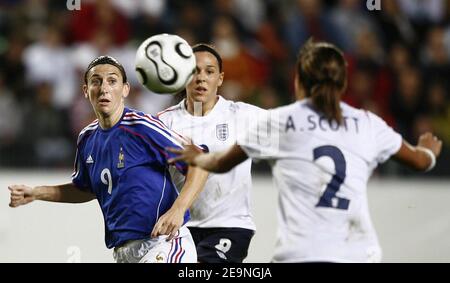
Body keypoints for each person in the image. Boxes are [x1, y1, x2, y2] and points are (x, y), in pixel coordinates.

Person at [167, 40, 443, 263]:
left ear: (298, 82)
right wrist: (428, 152)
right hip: (358, 252)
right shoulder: (368, 124)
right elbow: (419, 161)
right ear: (343, 83)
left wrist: (198, 157)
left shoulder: (281, 122)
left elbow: (221, 162)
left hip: (296, 252)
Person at [8, 55, 208, 263]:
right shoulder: (87, 138)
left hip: (164, 243)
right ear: (86, 91)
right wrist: (36, 192)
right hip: (124, 252)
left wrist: (178, 209)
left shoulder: (142, 127)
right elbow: (85, 188)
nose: (104, 88)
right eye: (96, 81)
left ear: (125, 90)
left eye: (112, 81)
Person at [157, 44, 264, 263]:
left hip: (230, 226)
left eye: (209, 71)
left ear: (220, 78)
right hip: (179, 230)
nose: (201, 78)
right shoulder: (164, 122)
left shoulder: (243, 117)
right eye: (194, 71)